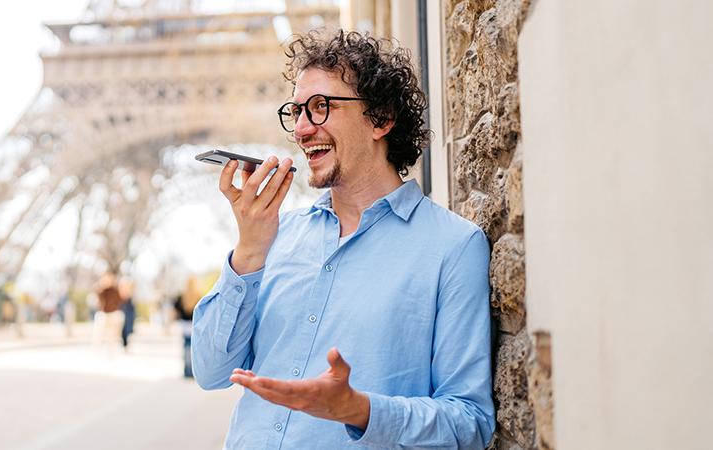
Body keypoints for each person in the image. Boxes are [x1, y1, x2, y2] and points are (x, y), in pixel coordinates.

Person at [191, 30, 494, 449]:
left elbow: (470, 422)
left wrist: (360, 411)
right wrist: (249, 252)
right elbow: (210, 371)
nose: (300, 129)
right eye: (296, 111)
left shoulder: (453, 248)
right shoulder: (275, 236)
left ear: (381, 118)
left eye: (320, 108)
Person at [91, 273, 123, 354]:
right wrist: (101, 285)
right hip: (103, 314)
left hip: (113, 313)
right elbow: (95, 293)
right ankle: (96, 347)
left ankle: (112, 347)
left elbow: (120, 300)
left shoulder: (115, 290)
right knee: (99, 331)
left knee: (112, 332)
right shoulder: (102, 290)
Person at [119, 279, 136, 350]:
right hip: (124, 310)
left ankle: (125, 342)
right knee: (124, 327)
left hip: (129, 310)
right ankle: (124, 343)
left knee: (129, 327)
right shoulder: (121, 293)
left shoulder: (131, 293)